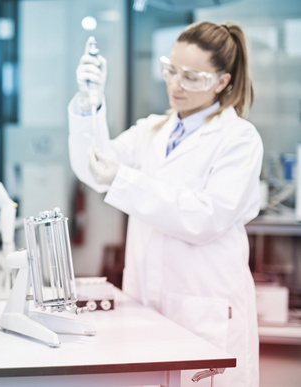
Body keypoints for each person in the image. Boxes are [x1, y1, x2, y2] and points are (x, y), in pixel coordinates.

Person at [68, 22, 262, 387]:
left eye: (191, 77)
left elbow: (206, 217)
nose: (176, 85)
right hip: (147, 299)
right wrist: (88, 104)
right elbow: (94, 169)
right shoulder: (151, 130)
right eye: (171, 71)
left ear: (221, 81)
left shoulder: (239, 140)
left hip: (206, 306)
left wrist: (124, 180)